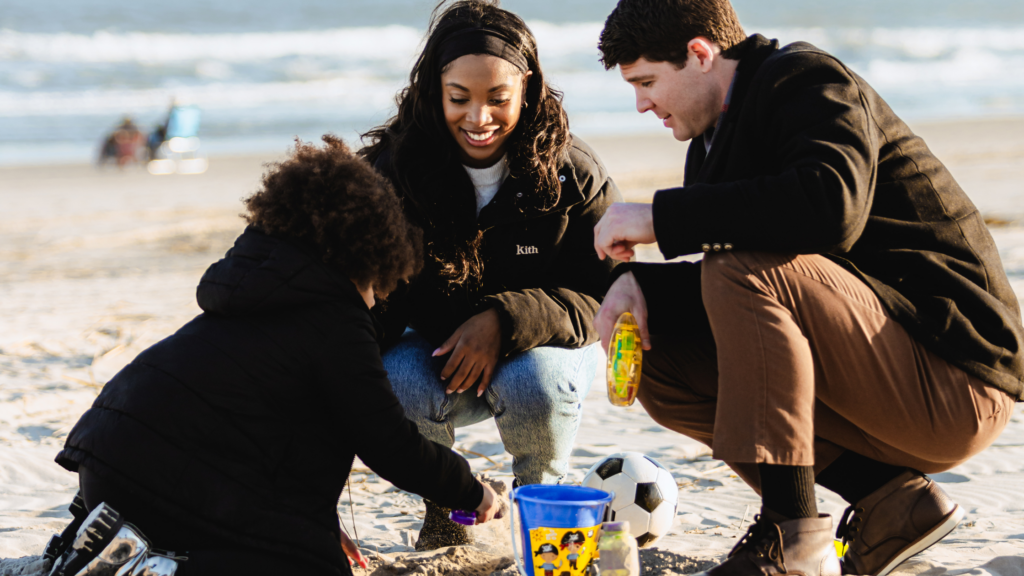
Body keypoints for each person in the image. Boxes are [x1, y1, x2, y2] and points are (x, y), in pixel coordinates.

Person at [591, 2, 1023, 576]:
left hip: (956, 379)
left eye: (647, 82)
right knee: (660, 354)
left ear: (699, 54)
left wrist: (660, 219)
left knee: (738, 265)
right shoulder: (712, 147)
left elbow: (830, 210)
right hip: (878, 385)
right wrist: (632, 284)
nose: (642, 103)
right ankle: (891, 500)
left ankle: (791, 534)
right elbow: (750, 307)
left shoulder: (807, 82)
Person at [48, 136, 501, 576]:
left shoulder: (253, 295)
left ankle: (97, 542)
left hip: (105, 464)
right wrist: (471, 492)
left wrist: (312, 526)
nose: (376, 301)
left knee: (302, 546)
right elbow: (390, 444)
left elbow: (266, 450)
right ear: (370, 256)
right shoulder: (336, 320)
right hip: (157, 484)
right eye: (378, 287)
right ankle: (145, 567)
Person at [360, 0, 621, 550]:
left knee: (534, 384)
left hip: (544, 349)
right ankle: (446, 509)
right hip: (439, 355)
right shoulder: (394, 171)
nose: (479, 118)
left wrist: (505, 319)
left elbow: (604, 295)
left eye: (498, 99)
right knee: (398, 378)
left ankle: (541, 503)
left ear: (527, 87)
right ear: (435, 89)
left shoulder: (573, 172)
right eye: (459, 98)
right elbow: (364, 300)